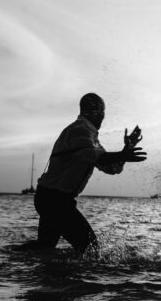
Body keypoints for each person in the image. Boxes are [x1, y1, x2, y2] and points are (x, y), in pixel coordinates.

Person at [33, 93, 146, 254]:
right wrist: (123, 154)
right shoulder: (79, 130)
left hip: (53, 199)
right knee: (90, 250)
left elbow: (111, 168)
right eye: (101, 112)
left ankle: (10, 257)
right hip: (54, 200)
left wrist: (127, 148)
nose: (102, 117)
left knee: (44, 248)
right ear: (96, 112)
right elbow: (94, 156)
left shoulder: (90, 136)